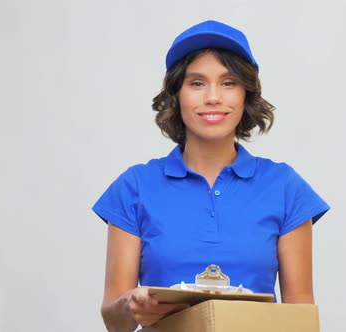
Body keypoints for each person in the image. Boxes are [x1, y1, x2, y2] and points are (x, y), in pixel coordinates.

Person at [92, 20, 330, 332]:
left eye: (229, 82)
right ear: (176, 95)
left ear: (246, 94)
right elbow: (114, 322)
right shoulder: (134, 187)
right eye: (197, 83)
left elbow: (301, 321)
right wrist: (131, 305)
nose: (213, 97)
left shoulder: (285, 187)